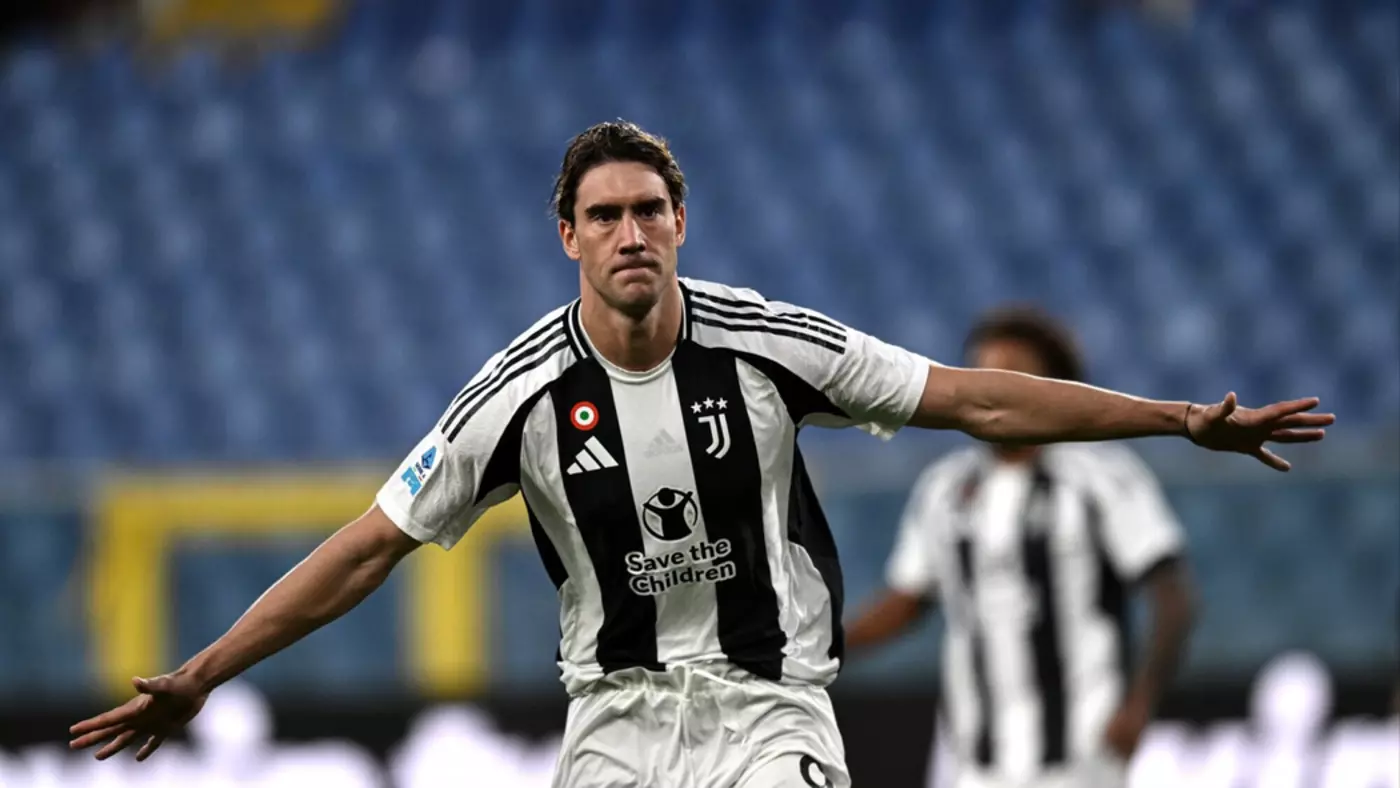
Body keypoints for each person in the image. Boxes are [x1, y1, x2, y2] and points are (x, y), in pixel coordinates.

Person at [68, 121, 1333, 788]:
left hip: (766, 709)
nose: (631, 232)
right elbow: (366, 547)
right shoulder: (518, 392)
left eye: (648, 210)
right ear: (567, 236)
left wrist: (1178, 416)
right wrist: (205, 671)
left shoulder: (769, 342)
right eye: (604, 215)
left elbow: (971, 400)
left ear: (680, 222)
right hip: (614, 725)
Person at [846, 307, 1200, 788]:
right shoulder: (945, 489)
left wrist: (1140, 702)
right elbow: (908, 597)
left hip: (1081, 756)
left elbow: (1172, 595)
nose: (993, 390)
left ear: (1051, 387)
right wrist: (826, 647)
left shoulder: (1101, 476)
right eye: (981, 374)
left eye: (1011, 376)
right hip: (976, 762)